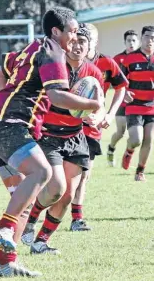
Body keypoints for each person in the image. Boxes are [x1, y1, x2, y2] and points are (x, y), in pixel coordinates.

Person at [0, 7, 103, 277]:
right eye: (72, 31)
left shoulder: (34, 46)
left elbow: (5, 67)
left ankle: (5, 263)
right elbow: (58, 97)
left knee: (24, 199)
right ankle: (2, 228)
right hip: (9, 128)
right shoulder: (53, 53)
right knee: (42, 172)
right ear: (56, 31)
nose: (75, 36)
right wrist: (93, 104)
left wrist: (7, 96)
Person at [21, 24, 104, 253]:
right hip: (49, 136)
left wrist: (97, 117)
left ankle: (41, 242)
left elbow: (100, 103)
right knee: (56, 187)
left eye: (83, 43)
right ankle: (31, 218)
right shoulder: (55, 68)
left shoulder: (94, 73)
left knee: (67, 195)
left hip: (76, 138)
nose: (77, 46)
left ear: (89, 48)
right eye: (74, 42)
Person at [69, 22, 127, 231]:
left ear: (95, 41)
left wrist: (110, 114)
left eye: (88, 39)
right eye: (79, 39)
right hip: (66, 126)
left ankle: (77, 218)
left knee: (84, 173)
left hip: (92, 127)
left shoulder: (106, 63)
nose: (82, 43)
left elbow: (121, 87)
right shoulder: (70, 61)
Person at [120, 26, 154, 181]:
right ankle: (129, 150)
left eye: (153, 38)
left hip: (153, 105)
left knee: (149, 139)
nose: (149, 40)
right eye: (147, 37)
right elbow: (120, 81)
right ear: (141, 38)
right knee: (136, 139)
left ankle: (140, 171)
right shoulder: (130, 58)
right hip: (134, 105)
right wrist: (125, 91)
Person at [107, 30, 139, 166]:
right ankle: (111, 148)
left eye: (134, 40)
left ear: (138, 42)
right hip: (122, 101)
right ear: (124, 42)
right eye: (129, 41)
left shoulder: (142, 58)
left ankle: (128, 153)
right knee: (120, 132)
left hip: (138, 102)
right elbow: (110, 80)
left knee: (136, 135)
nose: (131, 43)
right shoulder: (117, 59)